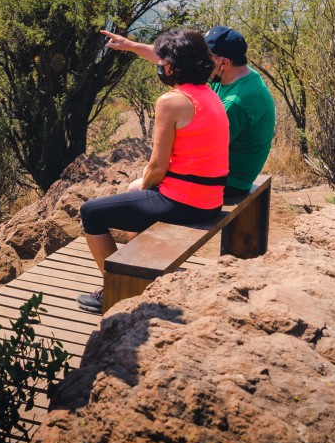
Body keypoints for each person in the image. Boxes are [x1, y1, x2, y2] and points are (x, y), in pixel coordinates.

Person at [75, 27, 229, 313]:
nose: (159, 65)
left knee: (91, 212)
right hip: (211, 200)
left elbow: (158, 166)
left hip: (185, 203)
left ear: (174, 66)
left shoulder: (171, 102)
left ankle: (114, 290)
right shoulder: (209, 93)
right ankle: (139, 280)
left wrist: (145, 184)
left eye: (162, 61)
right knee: (137, 199)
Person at [203, 25, 276, 201]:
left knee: (141, 187)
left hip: (230, 182)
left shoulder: (236, 103)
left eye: (207, 57)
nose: (201, 62)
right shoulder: (244, 74)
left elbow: (206, 152)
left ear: (224, 62)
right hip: (230, 173)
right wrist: (131, 45)